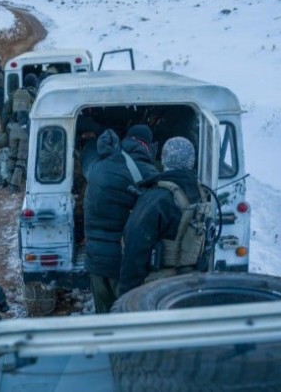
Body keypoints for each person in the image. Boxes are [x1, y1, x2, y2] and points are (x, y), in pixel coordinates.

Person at [80, 124, 159, 313]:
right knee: (127, 316)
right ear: (148, 146)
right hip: (123, 263)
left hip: (95, 260)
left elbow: (86, 159)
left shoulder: (98, 165)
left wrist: (90, 141)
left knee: (104, 316)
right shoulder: (147, 173)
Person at [118, 136, 203, 297]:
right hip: (189, 283)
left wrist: (126, 294)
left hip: (159, 287)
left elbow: (134, 249)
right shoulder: (200, 192)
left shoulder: (157, 198)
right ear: (192, 161)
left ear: (163, 159)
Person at [6, 73, 39, 193]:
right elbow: (27, 111)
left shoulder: (16, 93)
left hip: (13, 128)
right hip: (24, 129)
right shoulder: (34, 94)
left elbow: (7, 110)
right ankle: (14, 185)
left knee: (12, 156)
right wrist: (25, 125)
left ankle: (8, 179)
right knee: (21, 158)